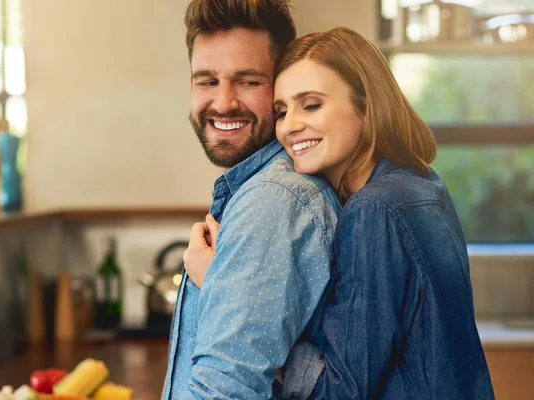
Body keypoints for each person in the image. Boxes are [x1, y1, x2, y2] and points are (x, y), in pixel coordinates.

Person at [185, 27, 495, 399]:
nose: (290, 126)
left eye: (311, 104)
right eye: (282, 111)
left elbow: (338, 390)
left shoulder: (374, 210)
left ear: (366, 106)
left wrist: (226, 288)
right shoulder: (423, 184)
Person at [162, 1, 341, 399]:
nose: (223, 103)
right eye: (206, 81)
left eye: (248, 81)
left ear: (282, 86)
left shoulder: (273, 200)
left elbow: (223, 391)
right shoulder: (266, 189)